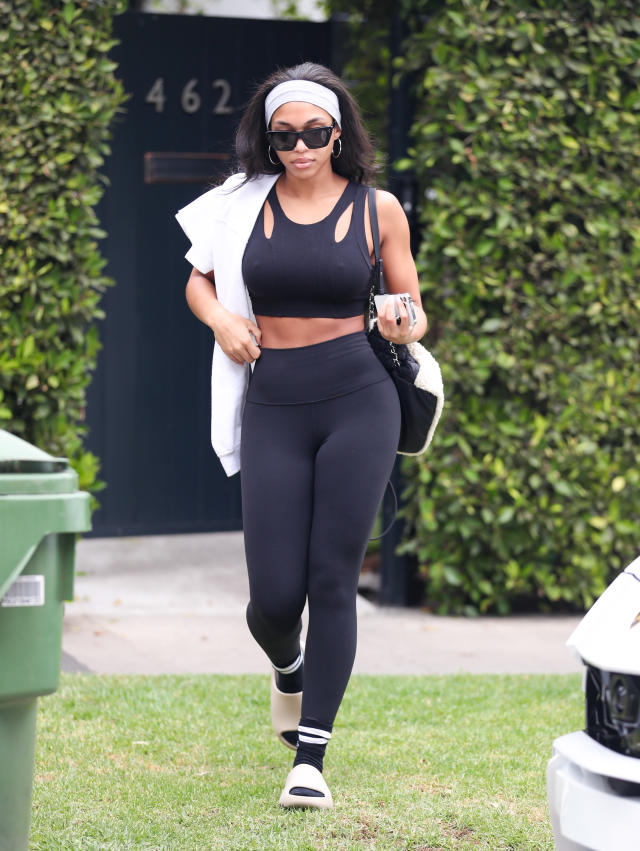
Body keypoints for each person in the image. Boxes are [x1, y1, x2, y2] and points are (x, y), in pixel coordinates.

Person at [175, 62, 427, 809]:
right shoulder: (242, 203)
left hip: (359, 394)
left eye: (314, 133)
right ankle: (288, 668)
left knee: (331, 575)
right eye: (284, 135)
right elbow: (198, 278)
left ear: (338, 133)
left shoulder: (377, 208)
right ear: (270, 137)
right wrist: (222, 319)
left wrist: (402, 320)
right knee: (274, 597)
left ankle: (310, 755)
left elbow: (411, 305)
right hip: (275, 399)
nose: (300, 147)